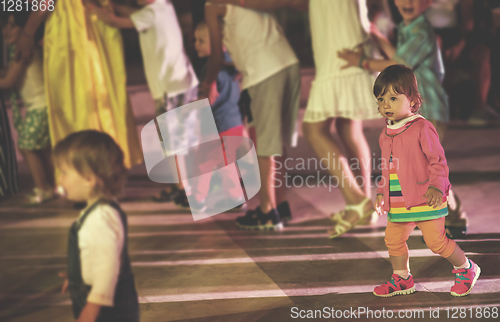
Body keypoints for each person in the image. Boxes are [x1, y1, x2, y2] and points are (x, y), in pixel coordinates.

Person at [338, 0, 466, 239]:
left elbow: (399, 64)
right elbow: (397, 55)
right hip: (413, 111)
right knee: (422, 166)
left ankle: (451, 214)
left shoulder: (421, 31)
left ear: (427, 3)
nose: (407, 2)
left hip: (429, 110)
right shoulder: (408, 29)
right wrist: (376, 36)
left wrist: (361, 62)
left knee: (430, 165)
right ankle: (450, 214)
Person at [372, 65, 480, 298]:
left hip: (425, 198)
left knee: (436, 242)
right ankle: (402, 278)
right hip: (399, 203)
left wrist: (436, 186)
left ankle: (466, 269)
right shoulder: (385, 133)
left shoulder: (422, 127)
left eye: (393, 97)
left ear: (412, 100)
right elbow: (387, 168)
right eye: (381, 99)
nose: (385, 104)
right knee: (393, 239)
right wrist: (381, 192)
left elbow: (438, 161)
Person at [203, 0, 304, 230]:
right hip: (288, 63)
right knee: (276, 143)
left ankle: (268, 212)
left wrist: (209, 83)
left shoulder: (213, 6)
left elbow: (216, 55)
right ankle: (281, 203)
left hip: (263, 73)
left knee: (264, 143)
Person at [90, 0, 199, 204]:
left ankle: (186, 189)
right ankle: (181, 186)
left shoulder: (153, 13)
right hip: (177, 86)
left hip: (171, 89)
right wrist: (115, 6)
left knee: (175, 142)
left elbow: (116, 23)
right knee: (176, 141)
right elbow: (131, 13)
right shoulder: (162, 8)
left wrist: (96, 11)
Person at [16, 0, 143, 170]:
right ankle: (108, 164)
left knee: (75, 101)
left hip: (72, 29)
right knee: (101, 93)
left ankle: (85, 169)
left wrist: (28, 33)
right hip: (95, 22)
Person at [301, 0, 379, 238]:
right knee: (349, 125)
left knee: (313, 129)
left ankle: (357, 200)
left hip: (339, 38)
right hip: (342, 31)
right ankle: (363, 206)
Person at [54, 130, 139, 321]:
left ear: (89, 179)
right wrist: (78, 273)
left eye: (64, 172)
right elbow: (98, 254)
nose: (60, 179)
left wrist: (92, 308)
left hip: (107, 311)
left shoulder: (99, 219)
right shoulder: (100, 209)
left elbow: (107, 266)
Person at [176, 20, 246, 211]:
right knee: (226, 164)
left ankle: (198, 200)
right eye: (195, 40)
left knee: (203, 164)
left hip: (218, 128)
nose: (195, 44)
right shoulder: (232, 63)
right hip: (234, 125)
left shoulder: (211, 69)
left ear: (217, 41)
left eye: (201, 40)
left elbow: (209, 99)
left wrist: (187, 109)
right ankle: (235, 197)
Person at [0, 11, 54, 204]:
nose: (7, 30)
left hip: (39, 106)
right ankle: (54, 185)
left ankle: (43, 188)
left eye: (13, 24)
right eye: (5, 25)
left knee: (25, 146)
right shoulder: (21, 50)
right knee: (42, 149)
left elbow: (7, 82)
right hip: (40, 106)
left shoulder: (22, 50)